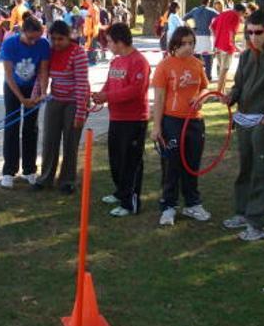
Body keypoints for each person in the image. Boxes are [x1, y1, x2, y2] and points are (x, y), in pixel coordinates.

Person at [222, 9, 264, 241]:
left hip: (262, 122)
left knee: (262, 171)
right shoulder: (245, 55)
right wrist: (230, 96)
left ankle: (260, 224)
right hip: (243, 120)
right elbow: (239, 86)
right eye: (249, 32)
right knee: (245, 168)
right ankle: (243, 212)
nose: (253, 37)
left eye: (258, 32)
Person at [150, 26, 211, 226]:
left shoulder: (197, 64)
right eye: (184, 43)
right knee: (172, 166)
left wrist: (200, 99)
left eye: (191, 43)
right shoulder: (164, 66)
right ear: (174, 45)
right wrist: (157, 126)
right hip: (172, 122)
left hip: (194, 121)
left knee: (192, 164)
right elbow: (158, 98)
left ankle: (193, 203)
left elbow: (204, 87)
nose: (188, 47)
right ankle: (168, 206)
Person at [92, 22, 150, 216]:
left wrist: (107, 97)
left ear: (120, 42)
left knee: (131, 162)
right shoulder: (115, 61)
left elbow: (136, 90)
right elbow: (109, 84)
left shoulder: (139, 61)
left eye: (109, 41)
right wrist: (99, 96)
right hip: (116, 118)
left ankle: (130, 202)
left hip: (134, 120)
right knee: (116, 159)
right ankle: (120, 192)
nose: (107, 45)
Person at [34, 21, 89, 195]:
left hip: (75, 101)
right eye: (53, 38)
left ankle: (67, 180)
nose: (56, 42)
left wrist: (80, 112)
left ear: (69, 37)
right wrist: (36, 95)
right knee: (50, 139)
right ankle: (45, 178)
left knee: (71, 141)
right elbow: (42, 75)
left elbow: (81, 84)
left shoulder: (78, 53)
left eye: (60, 39)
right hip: (55, 99)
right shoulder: (49, 52)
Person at [0, 15, 50, 188]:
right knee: (11, 126)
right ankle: (8, 171)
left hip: (33, 89)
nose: (33, 42)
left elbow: (43, 71)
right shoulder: (9, 44)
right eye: (30, 38)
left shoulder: (43, 44)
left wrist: (42, 93)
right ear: (22, 32)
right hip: (13, 88)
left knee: (31, 127)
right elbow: (8, 74)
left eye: (37, 38)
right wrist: (21, 98)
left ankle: (29, 169)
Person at [211, 2, 246, 90]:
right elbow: (232, 32)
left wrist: (217, 37)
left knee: (222, 70)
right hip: (227, 46)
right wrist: (234, 45)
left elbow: (212, 27)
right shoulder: (235, 16)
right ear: (240, 12)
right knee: (224, 70)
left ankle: (222, 91)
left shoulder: (223, 14)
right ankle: (218, 92)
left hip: (218, 45)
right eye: (243, 13)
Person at [184, 0, 219, 80]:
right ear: (209, 2)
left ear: (201, 1)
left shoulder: (195, 10)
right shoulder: (211, 11)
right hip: (206, 36)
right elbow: (220, 17)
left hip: (196, 36)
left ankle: (196, 75)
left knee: (196, 56)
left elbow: (184, 18)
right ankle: (208, 76)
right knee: (208, 58)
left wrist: (191, 28)